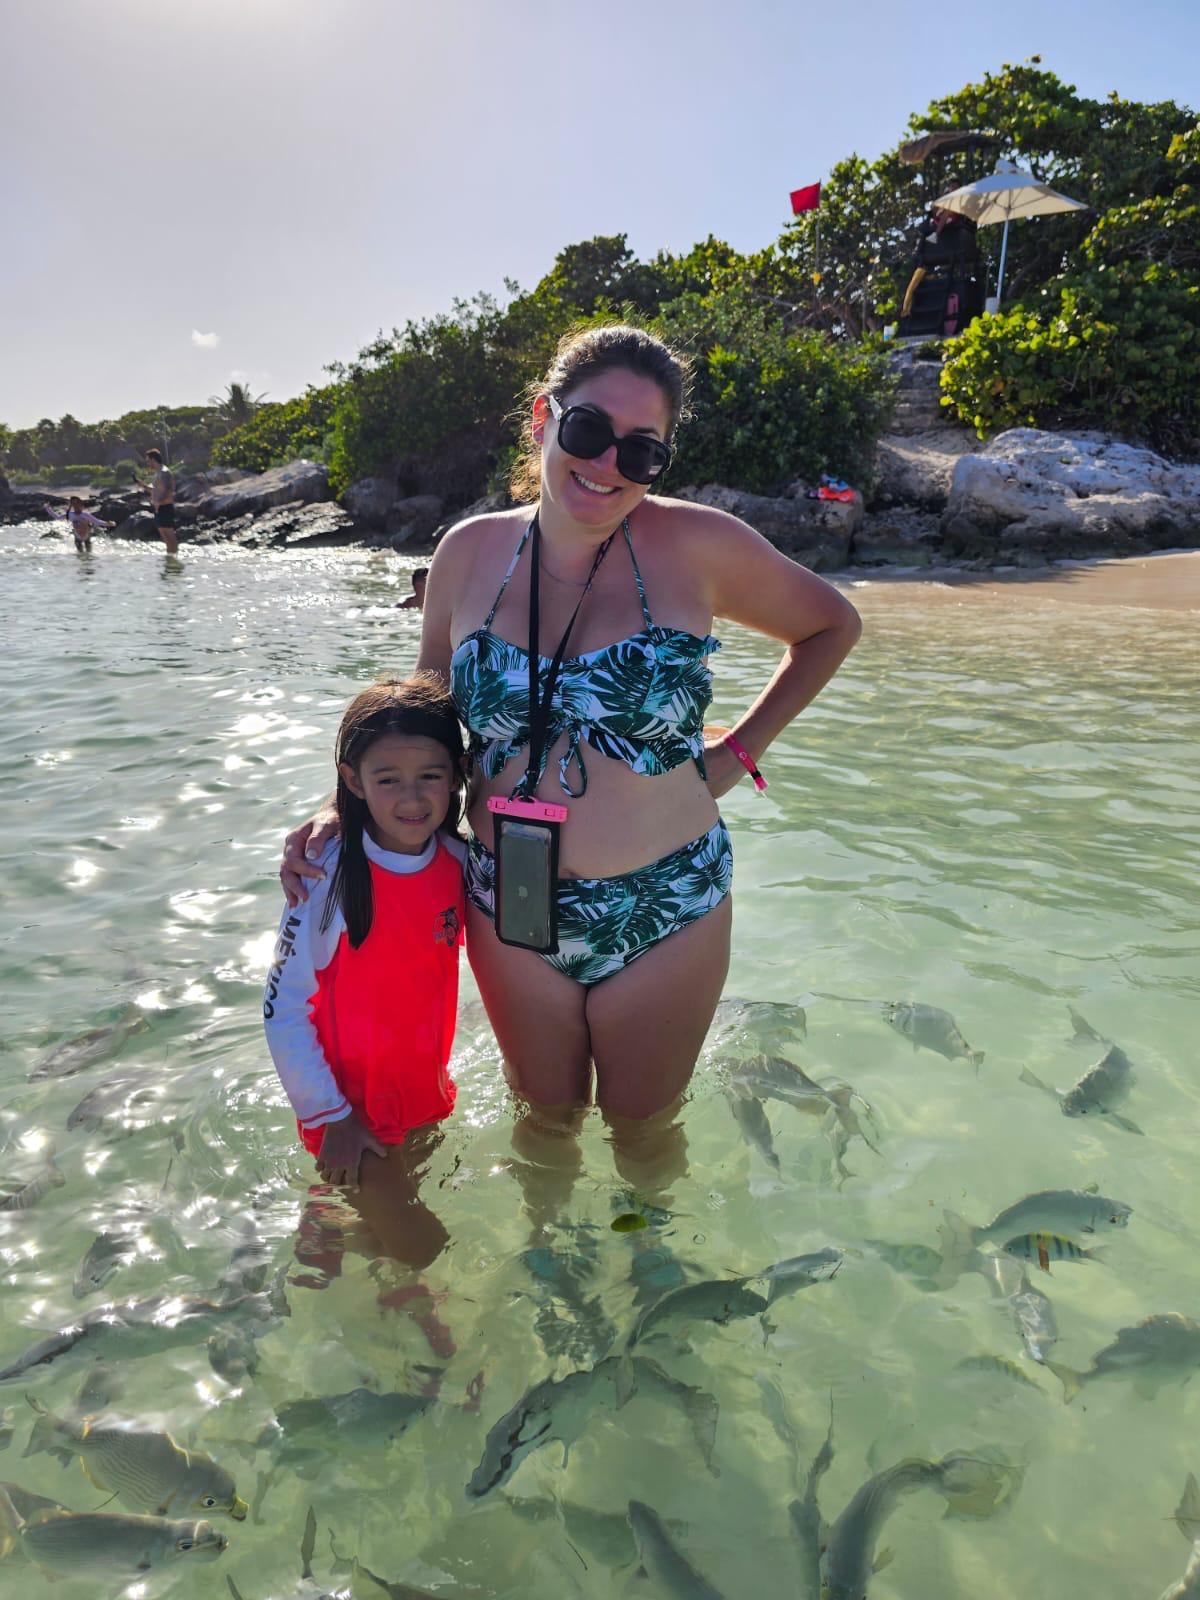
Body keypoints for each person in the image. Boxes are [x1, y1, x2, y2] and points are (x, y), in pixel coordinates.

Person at [281, 323, 861, 1211]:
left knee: (644, 1135)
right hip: (511, 904)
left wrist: (738, 754)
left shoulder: (698, 547)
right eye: (588, 432)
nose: (608, 465)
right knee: (543, 1123)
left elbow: (830, 627)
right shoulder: (468, 553)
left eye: (643, 450)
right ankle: (548, 1282)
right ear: (543, 421)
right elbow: (424, 718)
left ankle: (652, 1291)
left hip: (666, 902)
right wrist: (340, 807)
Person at [264, 672, 467, 1268]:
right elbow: (282, 1009)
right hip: (349, 1114)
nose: (412, 799)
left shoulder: (459, 862)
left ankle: (324, 1260)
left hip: (423, 1096)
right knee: (422, 1248)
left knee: (376, 1247)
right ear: (352, 782)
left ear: (456, 775)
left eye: (430, 776)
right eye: (388, 780)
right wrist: (330, 1116)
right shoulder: (326, 873)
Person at [133, 448, 178, 553]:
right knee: (166, 538)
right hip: (159, 509)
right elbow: (155, 491)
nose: (148, 463)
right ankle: (170, 562)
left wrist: (159, 502)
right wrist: (143, 485)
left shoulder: (165, 472)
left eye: (148, 461)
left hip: (165, 507)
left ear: (153, 460)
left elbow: (169, 490)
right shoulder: (158, 473)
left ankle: (175, 560)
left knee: (170, 537)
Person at [43, 497, 114, 549]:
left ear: (81, 506)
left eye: (78, 504)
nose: (76, 506)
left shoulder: (85, 515)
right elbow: (58, 517)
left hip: (86, 535)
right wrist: (48, 508)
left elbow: (97, 521)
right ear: (72, 506)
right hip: (77, 536)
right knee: (80, 555)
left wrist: (108, 523)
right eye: (74, 504)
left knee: (88, 554)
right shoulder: (70, 514)